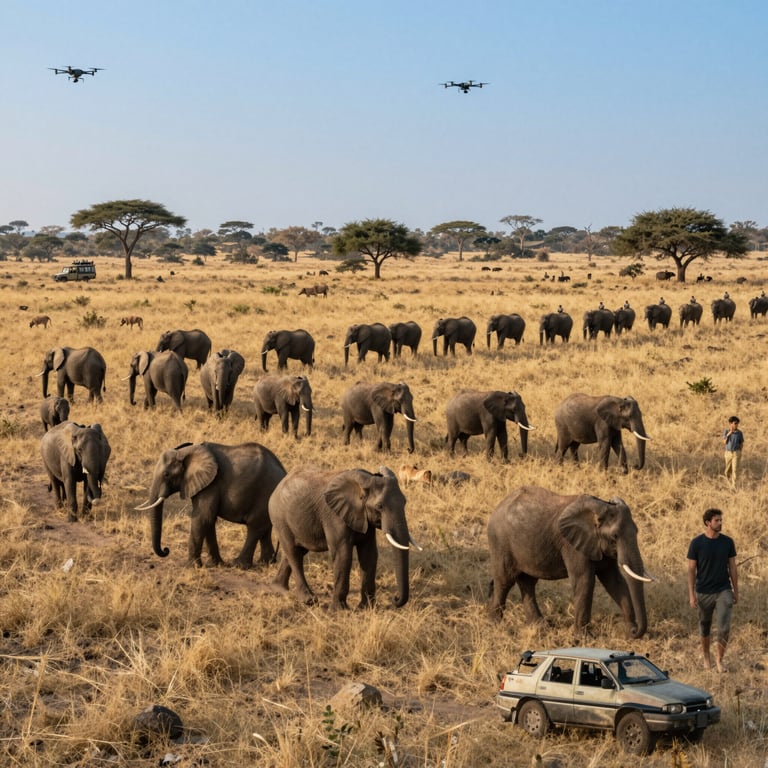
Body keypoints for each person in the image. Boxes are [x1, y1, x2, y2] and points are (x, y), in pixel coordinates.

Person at [687, 509, 738, 672]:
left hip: (723, 590)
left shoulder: (728, 542)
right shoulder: (696, 543)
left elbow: (732, 567)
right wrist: (691, 595)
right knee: (705, 627)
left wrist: (735, 591)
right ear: (708, 522)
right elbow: (691, 569)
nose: (720, 523)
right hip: (703, 592)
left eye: (721, 520)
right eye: (717, 520)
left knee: (724, 628)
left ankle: (719, 660)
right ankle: (706, 657)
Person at [723, 416, 744, 486]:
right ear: (730, 424)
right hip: (728, 453)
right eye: (735, 423)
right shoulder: (726, 431)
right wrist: (729, 433)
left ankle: (734, 486)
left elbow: (741, 443)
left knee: (735, 470)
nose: (736, 425)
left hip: (736, 453)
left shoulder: (739, 433)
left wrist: (740, 452)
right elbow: (724, 442)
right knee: (727, 470)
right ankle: (728, 483)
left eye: (737, 423)